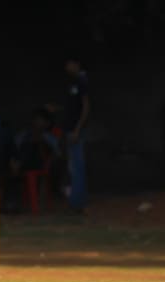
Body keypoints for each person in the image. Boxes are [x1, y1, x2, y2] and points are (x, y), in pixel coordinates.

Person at [62, 57, 90, 212]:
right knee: (73, 166)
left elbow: (86, 107)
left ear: (77, 64)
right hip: (70, 129)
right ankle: (76, 201)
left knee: (77, 166)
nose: (67, 67)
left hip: (75, 130)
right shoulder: (73, 82)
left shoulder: (82, 81)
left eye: (69, 64)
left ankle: (77, 203)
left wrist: (77, 129)